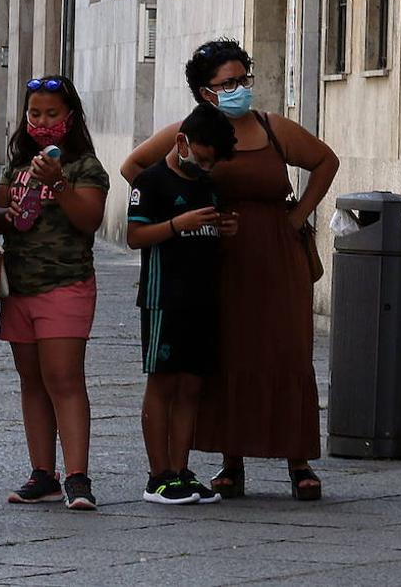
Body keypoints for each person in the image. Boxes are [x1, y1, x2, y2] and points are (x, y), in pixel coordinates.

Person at [121, 39, 339, 501]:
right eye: (228, 82)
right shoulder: (189, 132)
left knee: (287, 349)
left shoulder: (273, 128)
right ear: (205, 91)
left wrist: (298, 215)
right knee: (227, 352)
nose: (239, 89)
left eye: (244, 79)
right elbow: (136, 167)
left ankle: (297, 459)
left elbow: (325, 161)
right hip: (214, 255)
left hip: (277, 254)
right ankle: (230, 460)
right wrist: (177, 209)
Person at [0, 76, 110, 511]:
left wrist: (58, 184)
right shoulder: (17, 163)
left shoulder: (85, 166)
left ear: (71, 117)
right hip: (19, 286)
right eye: (34, 113)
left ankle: (78, 476)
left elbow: (90, 219)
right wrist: (7, 206)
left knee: (64, 378)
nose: (42, 121)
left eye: (52, 114)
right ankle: (43, 472)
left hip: (66, 284)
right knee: (32, 381)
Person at [127, 104, 239, 505]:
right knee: (163, 381)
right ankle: (158, 474)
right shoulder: (151, 180)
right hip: (164, 297)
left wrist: (225, 227)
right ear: (182, 143)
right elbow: (135, 236)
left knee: (191, 385)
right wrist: (177, 225)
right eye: (202, 157)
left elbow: (210, 229)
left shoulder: (206, 184)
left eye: (211, 163)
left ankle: (180, 468)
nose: (205, 166)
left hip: (202, 297)